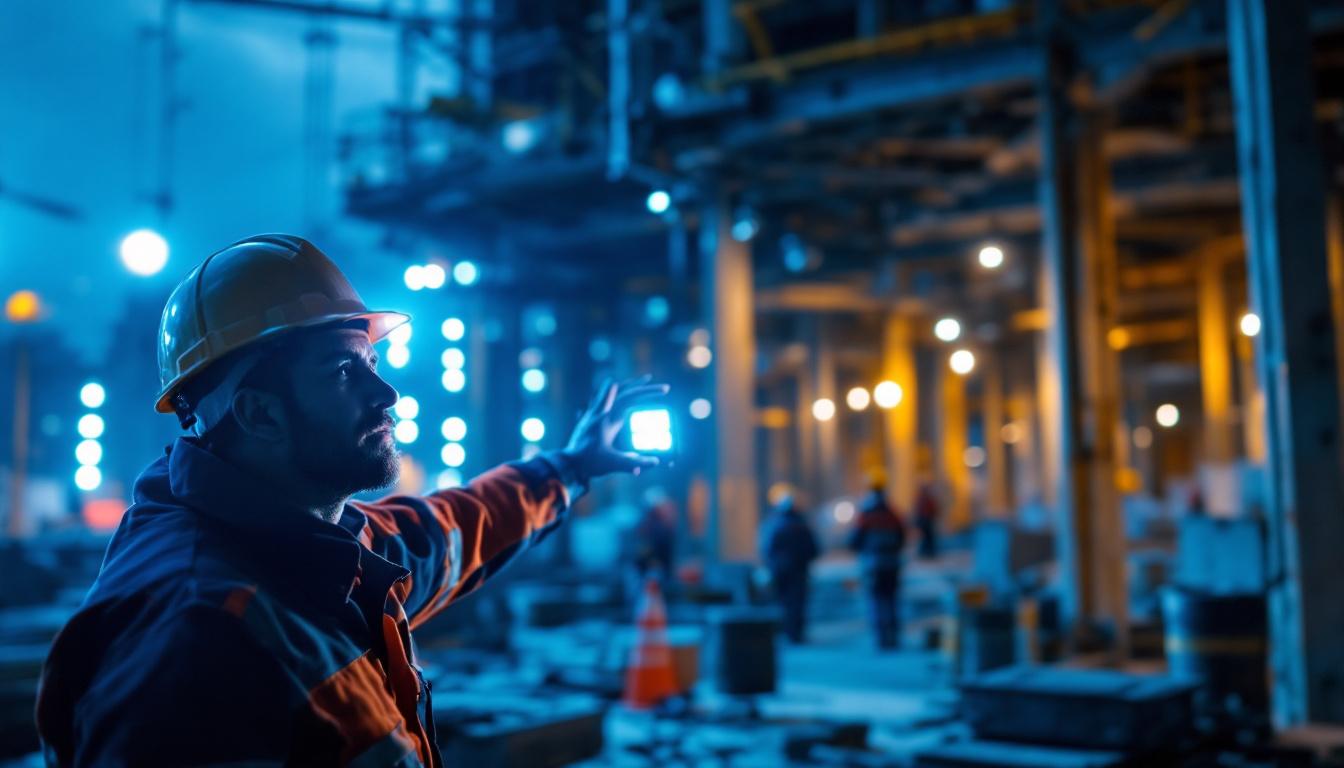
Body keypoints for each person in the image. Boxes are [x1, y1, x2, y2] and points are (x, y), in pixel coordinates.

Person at [35, 234, 667, 767]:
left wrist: (573, 467)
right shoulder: (195, 640)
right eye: (344, 371)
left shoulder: (322, 550)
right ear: (258, 412)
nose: (386, 392)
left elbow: (450, 529)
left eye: (372, 361)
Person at [847, 472, 907, 649]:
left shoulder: (865, 515)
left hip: (873, 565)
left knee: (876, 600)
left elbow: (854, 541)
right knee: (891, 599)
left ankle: (881, 637)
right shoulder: (893, 513)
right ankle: (893, 636)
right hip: (892, 564)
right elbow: (902, 538)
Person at [760, 491, 820, 644]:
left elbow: (767, 549)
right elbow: (813, 549)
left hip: (780, 571)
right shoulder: (801, 525)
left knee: (782, 602)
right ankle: (796, 634)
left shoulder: (774, 525)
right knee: (797, 603)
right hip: (798, 571)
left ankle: (785, 632)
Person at [914, 483, 942, 559]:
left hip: (927, 521)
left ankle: (928, 552)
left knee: (928, 537)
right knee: (927, 537)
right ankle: (927, 552)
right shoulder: (924, 499)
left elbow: (920, 510)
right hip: (925, 521)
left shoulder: (924, 499)